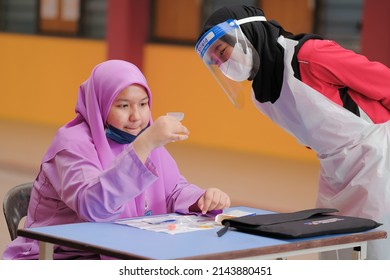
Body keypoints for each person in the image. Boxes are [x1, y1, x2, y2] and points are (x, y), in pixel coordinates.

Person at [195, 5, 390, 259]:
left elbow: (384, 82)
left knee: (375, 250)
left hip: (378, 157)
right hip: (334, 169)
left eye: (222, 51)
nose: (222, 64)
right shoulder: (262, 96)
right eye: (216, 61)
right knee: (331, 249)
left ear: (246, 33)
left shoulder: (310, 55)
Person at [2, 59, 231, 260]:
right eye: (123, 106)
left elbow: (172, 190)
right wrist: (144, 145)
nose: (137, 117)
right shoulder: (72, 145)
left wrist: (202, 198)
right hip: (62, 258)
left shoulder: (143, 138)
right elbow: (93, 207)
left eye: (143, 104)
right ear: (99, 105)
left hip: (124, 251)